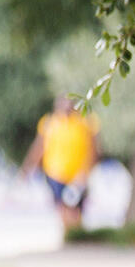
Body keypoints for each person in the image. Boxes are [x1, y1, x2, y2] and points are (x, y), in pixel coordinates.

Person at [19, 96, 100, 232]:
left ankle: (75, 235)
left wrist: (87, 170)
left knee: (76, 209)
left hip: (78, 174)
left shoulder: (86, 122)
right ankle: (69, 235)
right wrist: (28, 167)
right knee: (62, 208)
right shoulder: (49, 123)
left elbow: (94, 149)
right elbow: (39, 147)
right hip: (56, 173)